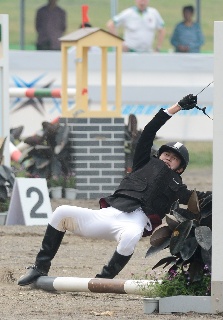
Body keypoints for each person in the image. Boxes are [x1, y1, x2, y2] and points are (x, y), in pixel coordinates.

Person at [17, 94, 212, 286]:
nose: (168, 158)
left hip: (133, 223)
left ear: (180, 168)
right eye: (166, 154)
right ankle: (40, 266)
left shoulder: (178, 187)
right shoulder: (143, 162)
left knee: (131, 236)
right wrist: (177, 106)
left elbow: (201, 198)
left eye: (174, 158)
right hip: (108, 214)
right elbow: (149, 131)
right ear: (159, 155)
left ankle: (103, 280)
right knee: (61, 212)